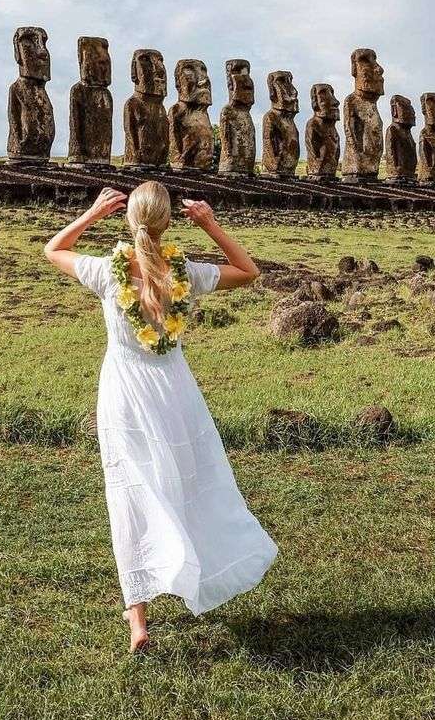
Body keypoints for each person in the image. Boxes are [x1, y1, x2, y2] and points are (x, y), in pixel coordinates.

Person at [44, 181, 278, 653]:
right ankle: (187, 566)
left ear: (128, 221)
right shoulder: (184, 273)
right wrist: (211, 224)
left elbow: (53, 249)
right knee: (185, 481)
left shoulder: (108, 273)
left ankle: (138, 621)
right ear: (169, 222)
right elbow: (248, 271)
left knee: (129, 491)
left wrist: (91, 214)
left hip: (125, 394)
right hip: (174, 391)